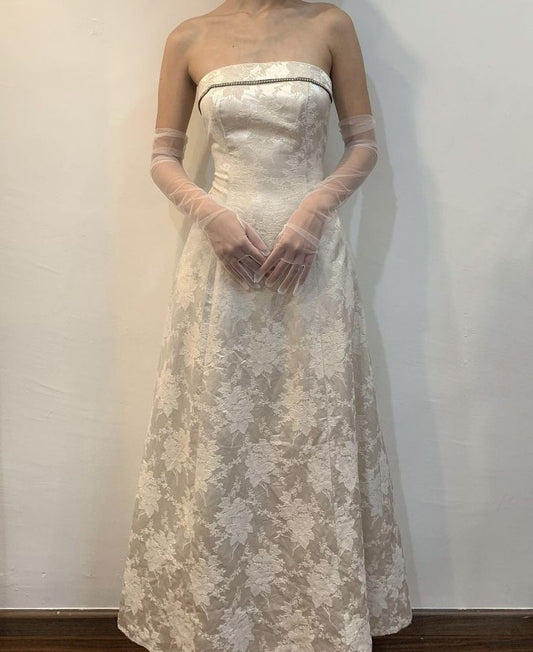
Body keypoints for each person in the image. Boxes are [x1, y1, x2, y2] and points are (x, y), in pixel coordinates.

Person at [117, 1, 413, 650]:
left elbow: (363, 146)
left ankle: (321, 620)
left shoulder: (329, 25)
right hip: (222, 260)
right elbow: (164, 155)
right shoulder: (190, 36)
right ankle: (213, 619)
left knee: (312, 424)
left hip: (312, 260)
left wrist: (314, 211)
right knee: (222, 427)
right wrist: (209, 213)